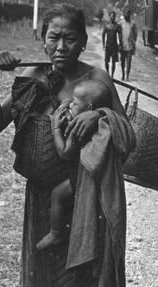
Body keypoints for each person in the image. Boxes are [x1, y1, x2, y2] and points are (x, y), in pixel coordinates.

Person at [0, 3, 136, 287]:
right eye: (53, 37)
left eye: (70, 37)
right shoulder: (31, 80)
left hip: (85, 196)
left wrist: (99, 117)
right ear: (42, 38)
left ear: (85, 41)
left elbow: (128, 135)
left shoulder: (97, 81)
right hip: (40, 200)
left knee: (81, 282)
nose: (60, 46)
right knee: (40, 284)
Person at [36, 79, 112, 251]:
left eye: (74, 104)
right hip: (89, 177)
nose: (70, 106)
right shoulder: (98, 125)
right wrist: (69, 106)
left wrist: (55, 128)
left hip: (79, 178)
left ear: (89, 109)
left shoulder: (79, 129)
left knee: (57, 194)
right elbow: (70, 104)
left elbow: (65, 152)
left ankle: (56, 234)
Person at [120, 3, 138, 81]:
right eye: (125, 13)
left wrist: (133, 43)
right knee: (122, 61)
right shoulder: (121, 23)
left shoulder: (133, 24)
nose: (126, 14)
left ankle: (127, 76)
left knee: (129, 62)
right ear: (123, 14)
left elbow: (135, 34)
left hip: (130, 46)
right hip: (122, 46)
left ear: (130, 14)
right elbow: (119, 34)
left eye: (127, 13)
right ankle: (123, 75)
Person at [101, 11, 122, 78]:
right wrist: (103, 44)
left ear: (115, 17)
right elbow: (103, 34)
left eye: (113, 16)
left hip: (114, 46)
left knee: (113, 62)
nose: (112, 17)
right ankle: (107, 73)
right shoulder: (106, 25)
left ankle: (112, 75)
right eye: (111, 16)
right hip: (108, 45)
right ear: (109, 16)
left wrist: (120, 44)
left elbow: (120, 35)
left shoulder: (117, 26)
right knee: (106, 61)